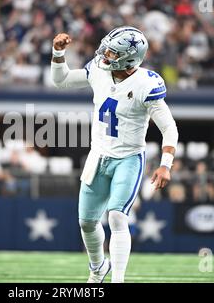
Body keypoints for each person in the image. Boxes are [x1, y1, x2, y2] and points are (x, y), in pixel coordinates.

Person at [50, 26, 178, 283]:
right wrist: (58, 53)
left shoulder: (146, 84)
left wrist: (166, 164)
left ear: (129, 58)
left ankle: (117, 280)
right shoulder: (98, 69)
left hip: (129, 158)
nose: (105, 54)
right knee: (86, 222)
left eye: (112, 52)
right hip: (98, 155)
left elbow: (169, 127)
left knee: (117, 216)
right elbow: (61, 80)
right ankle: (98, 268)